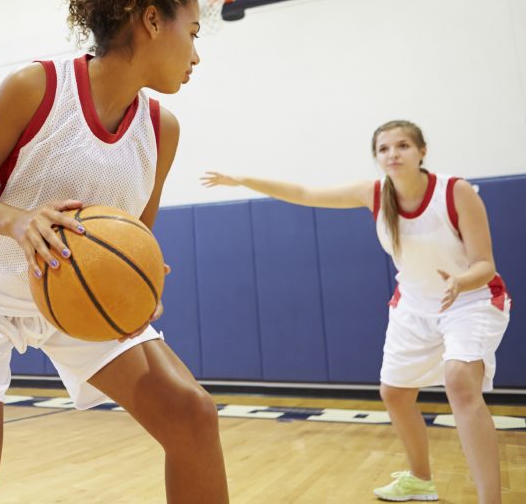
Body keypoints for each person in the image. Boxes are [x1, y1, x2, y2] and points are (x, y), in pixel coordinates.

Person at [0, 0, 229, 503]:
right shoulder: (36, 87)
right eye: (193, 33)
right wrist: (19, 220)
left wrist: (140, 278)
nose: (196, 55)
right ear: (151, 20)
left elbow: (135, 232)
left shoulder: (161, 129)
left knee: (192, 416)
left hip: (74, 295)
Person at [202, 119, 510, 503]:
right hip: (414, 306)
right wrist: (244, 180)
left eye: (402, 146)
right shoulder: (375, 194)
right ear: (376, 157)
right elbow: (304, 191)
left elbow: (485, 265)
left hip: (470, 300)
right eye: (384, 149)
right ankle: (419, 479)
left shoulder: (456, 191)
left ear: (421, 151)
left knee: (460, 384)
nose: (393, 154)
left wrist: (460, 282)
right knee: (395, 394)